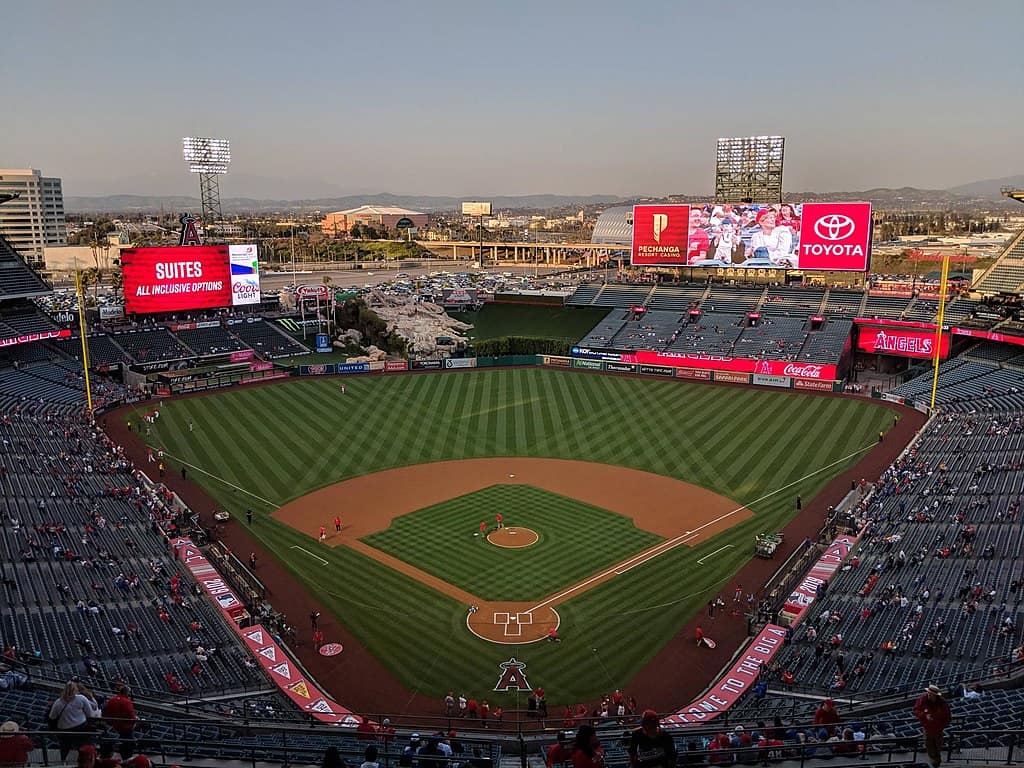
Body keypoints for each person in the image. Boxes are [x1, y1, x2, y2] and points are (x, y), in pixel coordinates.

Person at [48, 681, 99, 761]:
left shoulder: (58, 702)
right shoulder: (81, 698)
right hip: (80, 728)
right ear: (75, 690)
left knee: (64, 749)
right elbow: (90, 714)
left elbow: (52, 716)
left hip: (64, 730)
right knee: (82, 746)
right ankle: (84, 761)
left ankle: (63, 762)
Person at [913, 684, 951, 768]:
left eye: (932, 694)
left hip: (938, 728)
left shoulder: (942, 702)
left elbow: (948, 716)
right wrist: (924, 715)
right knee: (929, 744)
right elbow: (916, 710)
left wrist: (942, 725)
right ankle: (934, 761)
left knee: (938, 745)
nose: (930, 695)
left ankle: (937, 759)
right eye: (929, 693)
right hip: (927, 727)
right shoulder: (922, 699)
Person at [101, 683, 137, 758]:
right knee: (128, 744)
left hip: (112, 726)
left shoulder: (111, 700)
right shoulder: (127, 702)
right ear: (127, 693)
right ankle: (127, 758)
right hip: (124, 728)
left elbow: (104, 712)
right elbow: (132, 717)